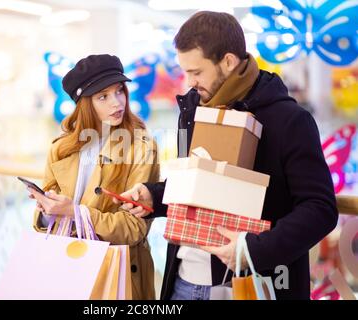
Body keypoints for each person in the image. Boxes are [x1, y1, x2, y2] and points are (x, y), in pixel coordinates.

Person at [115, 11, 338, 300]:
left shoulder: (289, 120)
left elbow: (320, 209)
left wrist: (253, 249)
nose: (190, 82)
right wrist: (153, 196)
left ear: (229, 62)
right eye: (186, 72)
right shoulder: (192, 111)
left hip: (252, 286)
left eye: (197, 72)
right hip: (182, 282)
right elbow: (197, 186)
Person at [28, 54, 160, 300]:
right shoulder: (61, 148)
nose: (116, 102)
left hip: (118, 274)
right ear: (84, 103)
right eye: (103, 96)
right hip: (69, 270)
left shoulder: (141, 147)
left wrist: (76, 213)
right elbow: (42, 221)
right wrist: (48, 209)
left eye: (119, 91)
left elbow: (134, 228)